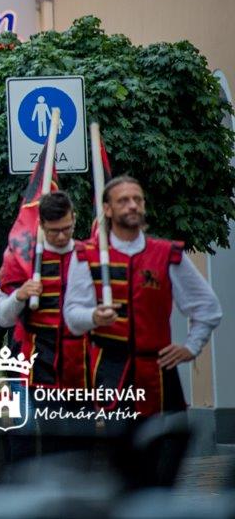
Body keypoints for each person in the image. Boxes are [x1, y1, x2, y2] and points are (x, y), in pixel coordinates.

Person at [63, 176, 222, 417]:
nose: (133, 205)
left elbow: (208, 308)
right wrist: (94, 316)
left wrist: (192, 346)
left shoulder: (167, 253)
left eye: (138, 199)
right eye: (124, 200)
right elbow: (73, 317)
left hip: (158, 369)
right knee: (122, 449)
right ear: (107, 209)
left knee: (165, 448)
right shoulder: (87, 255)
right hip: (110, 368)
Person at [0, 191, 89, 392]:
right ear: (41, 224)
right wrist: (19, 296)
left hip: (84, 362)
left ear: (74, 218)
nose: (62, 236)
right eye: (54, 231)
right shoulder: (21, 259)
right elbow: (2, 318)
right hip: (40, 364)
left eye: (67, 228)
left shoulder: (89, 255)